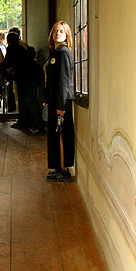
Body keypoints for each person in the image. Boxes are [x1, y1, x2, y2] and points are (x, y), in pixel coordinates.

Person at [43, 21, 75, 182]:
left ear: (67, 34)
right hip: (55, 100)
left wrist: (61, 106)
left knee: (61, 135)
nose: (58, 33)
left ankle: (64, 169)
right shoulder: (55, 52)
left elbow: (63, 80)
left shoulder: (63, 53)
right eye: (55, 30)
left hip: (61, 102)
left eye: (61, 31)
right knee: (55, 136)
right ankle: (57, 167)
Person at [5, 32, 42, 134]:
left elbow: (7, 63)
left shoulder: (11, 48)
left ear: (8, 41)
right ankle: (27, 122)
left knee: (28, 99)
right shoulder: (23, 47)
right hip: (32, 74)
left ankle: (37, 125)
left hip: (25, 76)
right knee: (28, 99)